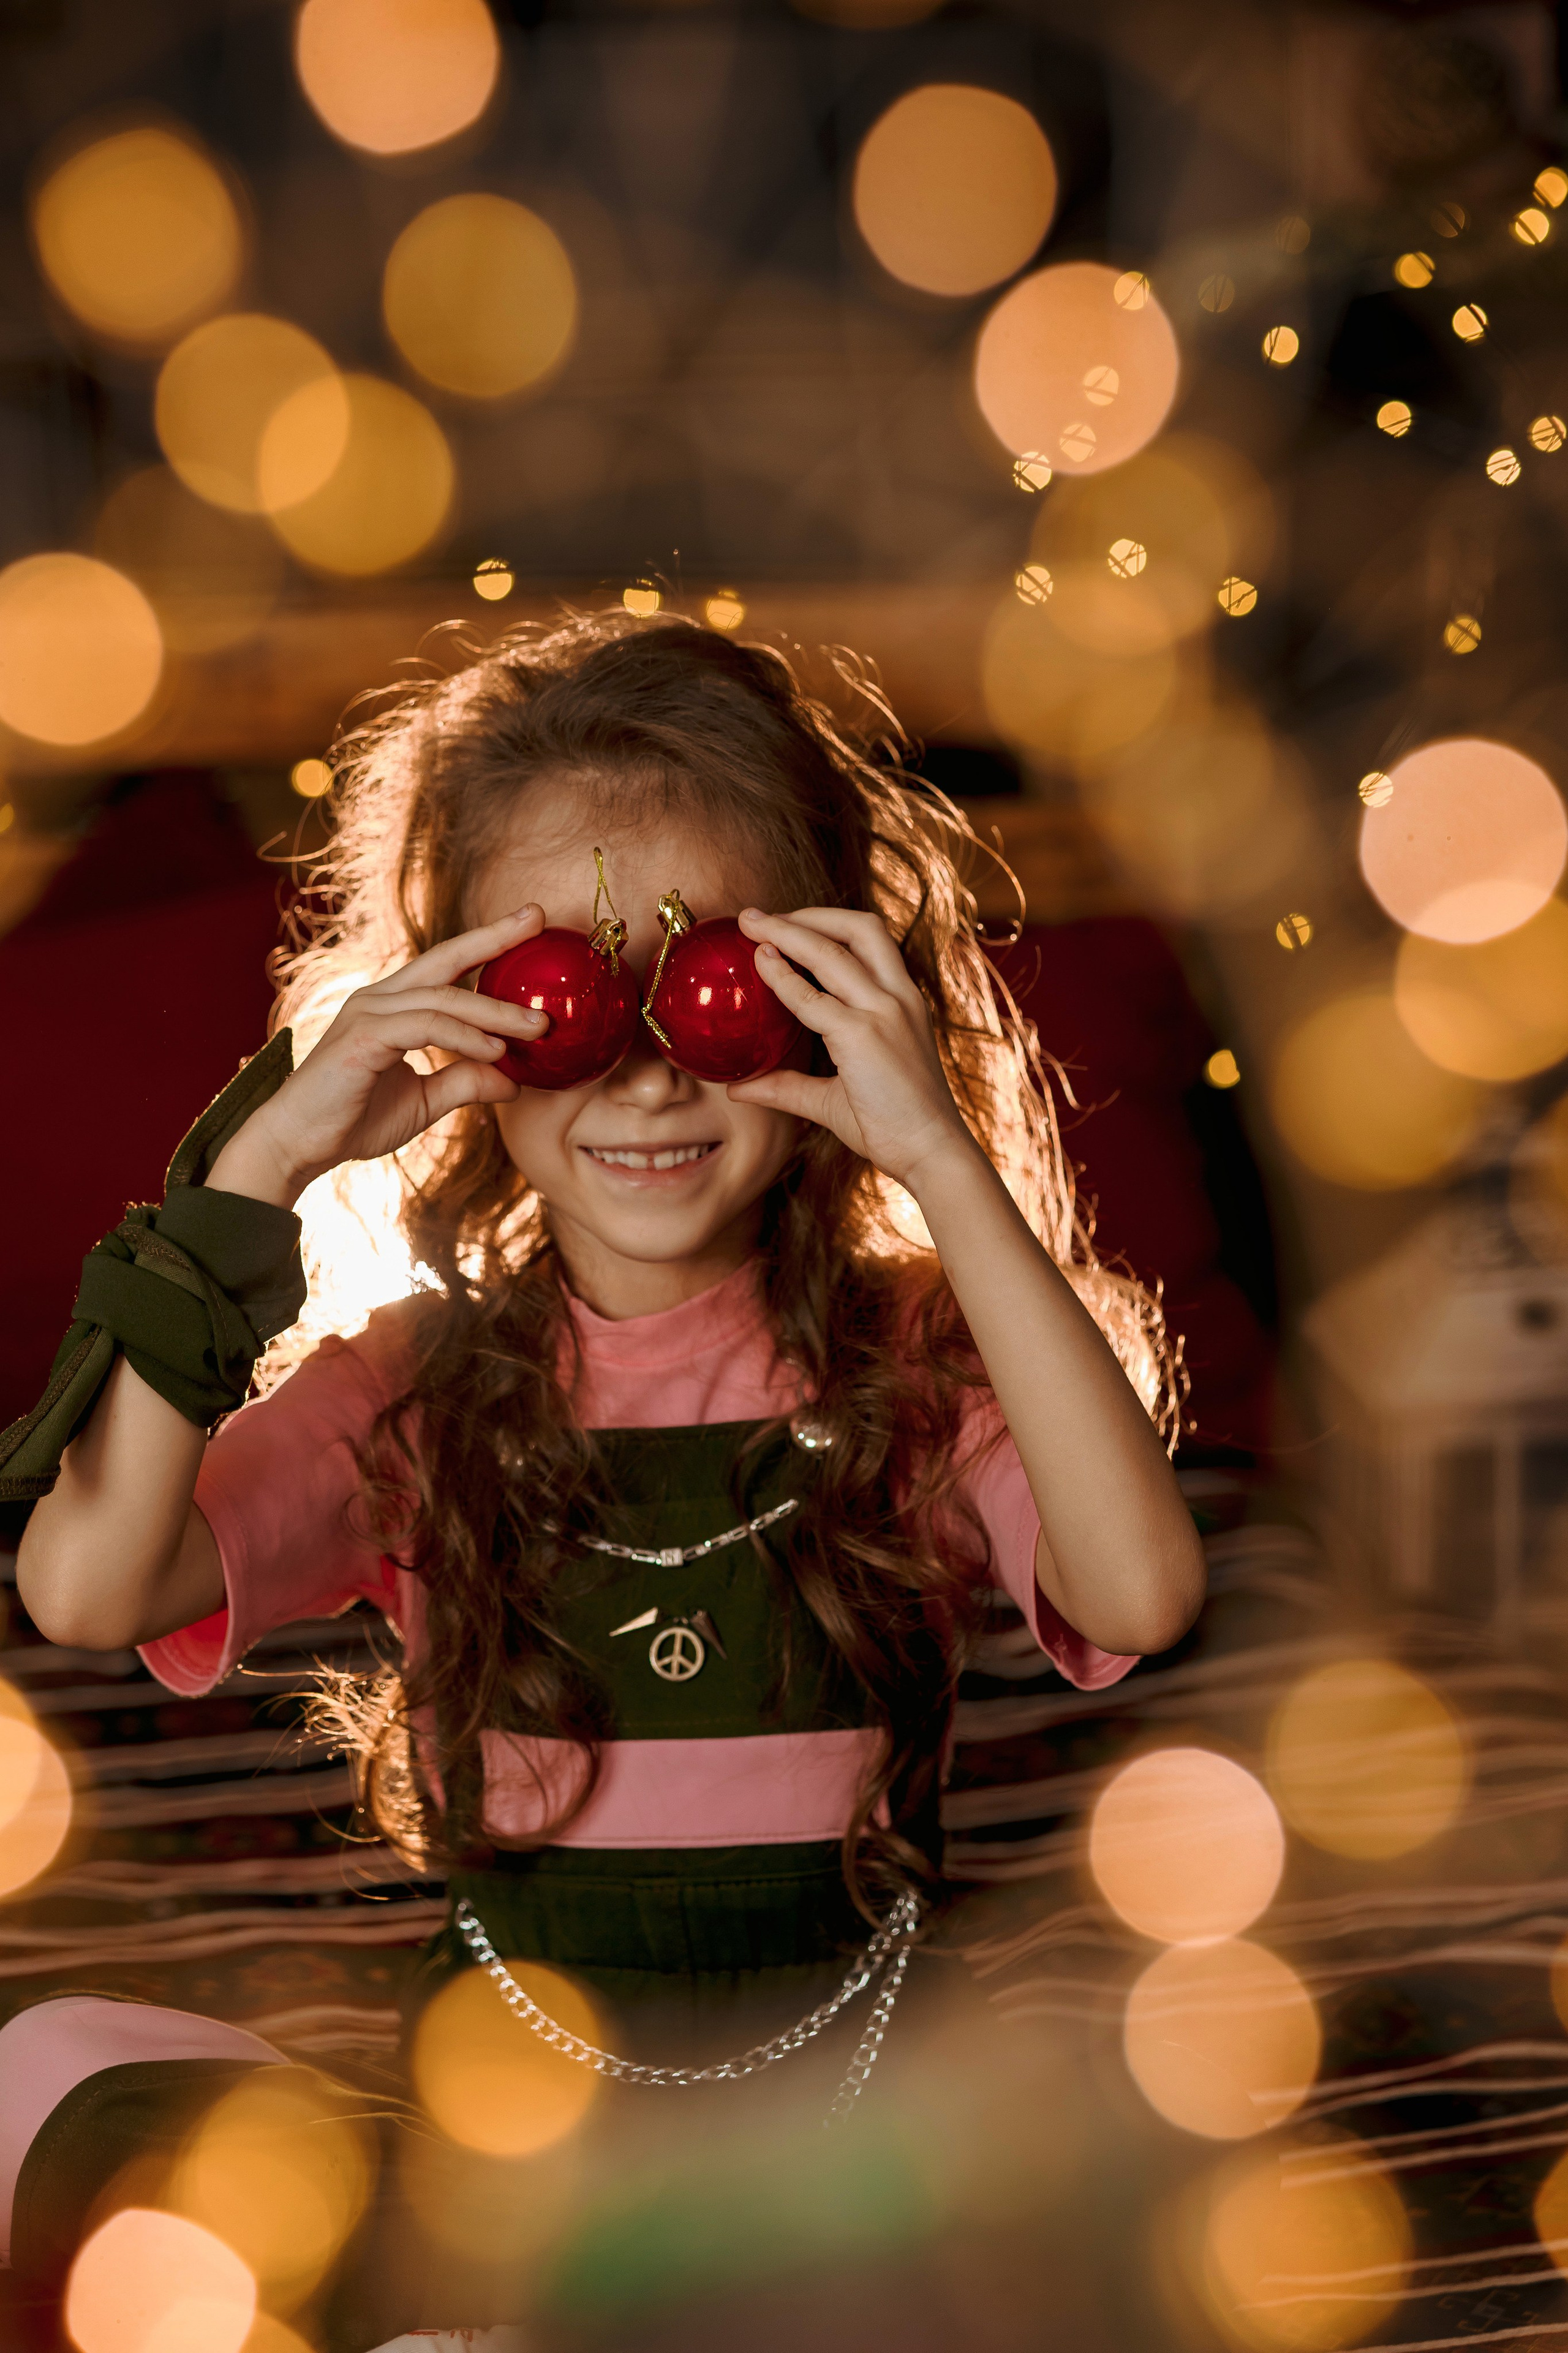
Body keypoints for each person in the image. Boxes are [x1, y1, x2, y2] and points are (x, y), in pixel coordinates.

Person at [1, 614, 1204, 2346]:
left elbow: (1143, 1589)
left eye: (714, 988)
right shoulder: (411, 1391)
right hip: (517, 2133)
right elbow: (84, 1587)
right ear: (463, 1020)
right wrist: (261, 1156)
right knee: (45, 2070)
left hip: (847, 2131)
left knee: (1144, 2139)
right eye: (565, 997)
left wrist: (935, 1146)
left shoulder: (926, 1361)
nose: (647, 1069)